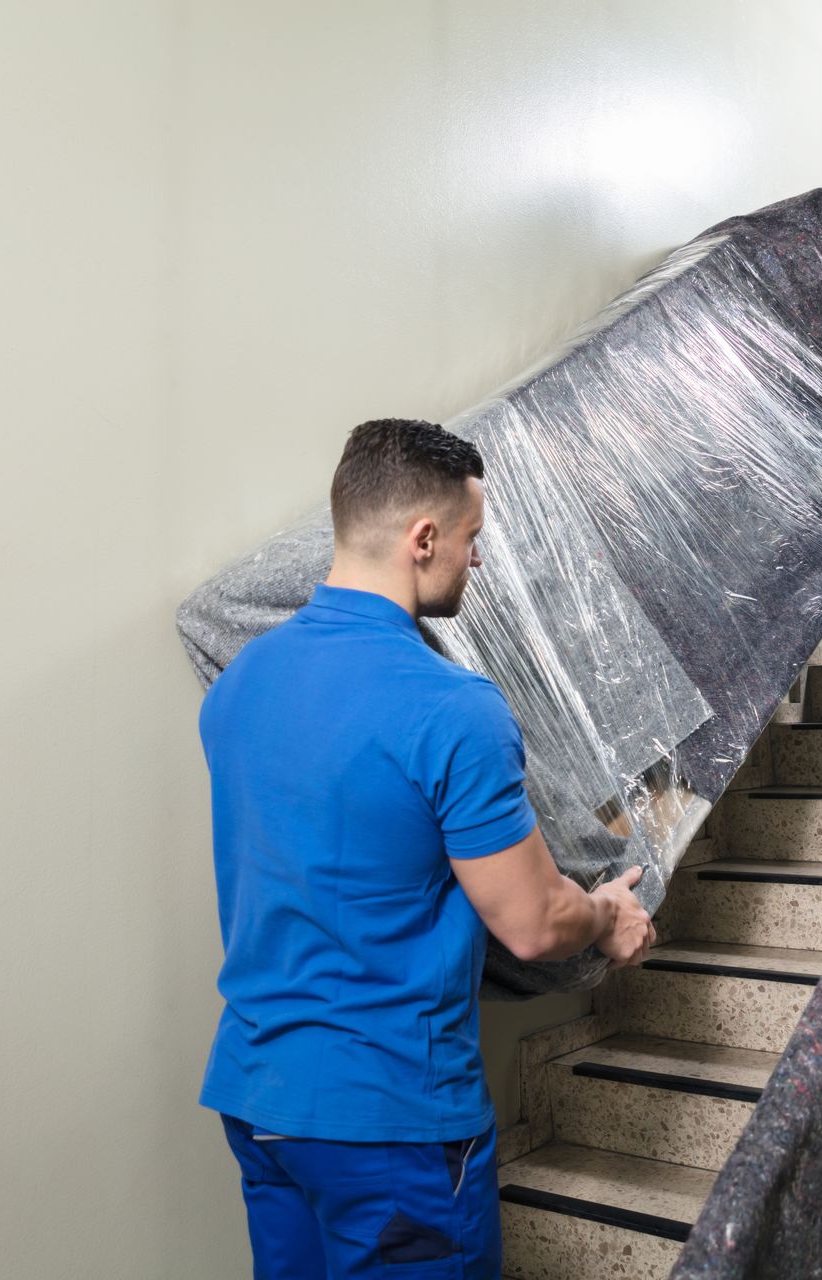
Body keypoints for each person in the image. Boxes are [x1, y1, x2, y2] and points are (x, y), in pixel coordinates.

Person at [196, 418, 656, 1279]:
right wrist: (607, 914)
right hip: (391, 1119)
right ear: (424, 538)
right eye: (472, 539)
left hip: (263, 1103)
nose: (475, 561)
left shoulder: (239, 687)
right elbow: (532, 924)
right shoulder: (453, 709)